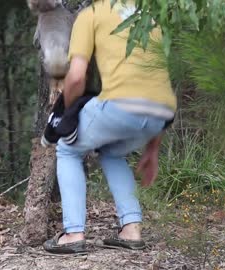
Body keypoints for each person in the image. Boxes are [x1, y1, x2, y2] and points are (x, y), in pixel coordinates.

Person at [43, 0, 177, 254]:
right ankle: (131, 230)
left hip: (120, 105)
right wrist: (153, 149)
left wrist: (66, 113)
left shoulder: (93, 13)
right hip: (162, 112)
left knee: (67, 149)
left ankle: (73, 233)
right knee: (112, 153)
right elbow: (159, 84)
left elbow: (77, 77)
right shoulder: (152, 15)